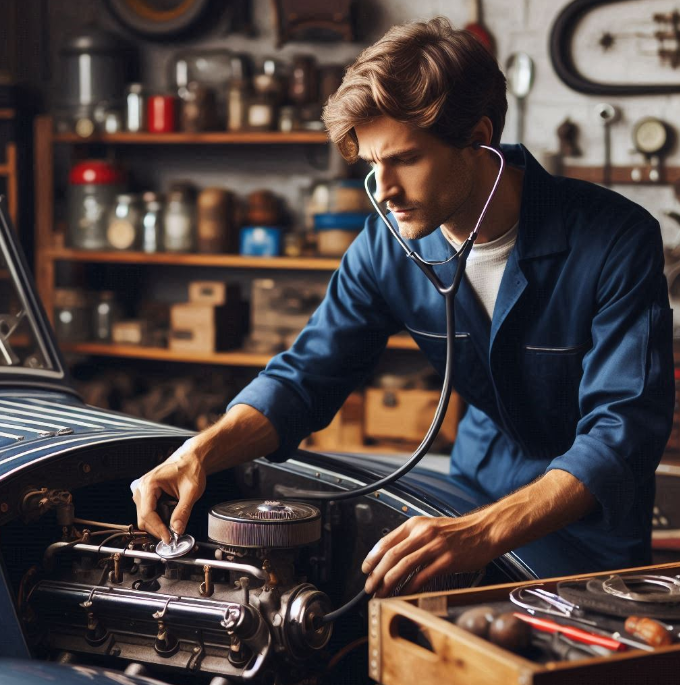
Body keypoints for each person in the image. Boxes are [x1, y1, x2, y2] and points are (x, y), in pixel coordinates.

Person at [133, 17, 674, 597]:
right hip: (466, 495)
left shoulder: (615, 239)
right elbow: (306, 378)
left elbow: (621, 432)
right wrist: (200, 451)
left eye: (404, 160)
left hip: (588, 532)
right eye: (371, 164)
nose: (384, 189)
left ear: (478, 137)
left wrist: (481, 533)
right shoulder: (385, 247)